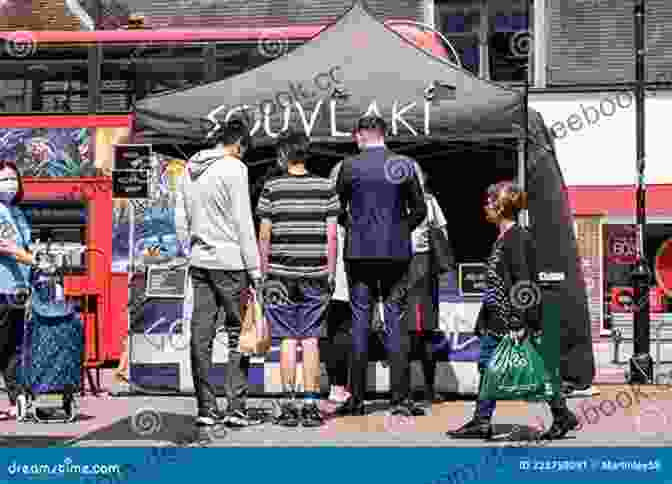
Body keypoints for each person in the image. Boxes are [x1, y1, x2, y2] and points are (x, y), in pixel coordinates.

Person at [447, 180, 579, 440]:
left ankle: (557, 414)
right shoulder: (504, 238)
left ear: (502, 205)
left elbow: (523, 282)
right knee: (494, 366)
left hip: (509, 320)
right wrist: (483, 317)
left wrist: (519, 322)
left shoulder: (517, 238)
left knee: (525, 369)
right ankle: (484, 420)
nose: (485, 206)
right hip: (496, 319)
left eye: (490, 201)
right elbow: (497, 284)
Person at [334, 115, 427, 417]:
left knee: (360, 322)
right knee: (396, 321)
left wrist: (353, 226)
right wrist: (401, 230)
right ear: (384, 134)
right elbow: (420, 209)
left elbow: (337, 208)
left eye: (356, 135)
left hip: (359, 252)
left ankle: (356, 399)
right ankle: (400, 399)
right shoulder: (402, 164)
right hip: (395, 252)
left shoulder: (349, 166)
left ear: (362, 135)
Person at [175, 118, 262, 428]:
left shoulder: (190, 168)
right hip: (231, 263)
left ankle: (206, 408)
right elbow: (243, 222)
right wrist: (255, 269)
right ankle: (236, 408)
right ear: (238, 144)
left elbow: (181, 217)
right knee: (240, 332)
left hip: (199, 262)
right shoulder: (234, 169)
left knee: (201, 335)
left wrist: (192, 249)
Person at [257, 130, 340, 427]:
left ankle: (289, 404)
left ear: (282, 155)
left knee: (288, 339)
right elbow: (332, 235)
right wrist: (331, 272)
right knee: (312, 339)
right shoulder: (325, 187)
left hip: (279, 276)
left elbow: (265, 235)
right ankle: (310, 404)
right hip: (316, 274)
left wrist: (263, 273)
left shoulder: (271, 188)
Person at [407, 170, 450, 404]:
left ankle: (406, 392)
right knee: (424, 331)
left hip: (404, 265)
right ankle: (428, 389)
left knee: (412, 331)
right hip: (421, 267)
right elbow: (442, 232)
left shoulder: (398, 199)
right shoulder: (429, 201)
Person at [0, 161, 34, 420]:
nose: (10, 184)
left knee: (13, 346)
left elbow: (26, 244)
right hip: (2, 288)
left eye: (13, 178)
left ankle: (16, 399)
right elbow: (6, 246)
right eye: (4, 179)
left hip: (18, 289)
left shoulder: (17, 212)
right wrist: (32, 260)